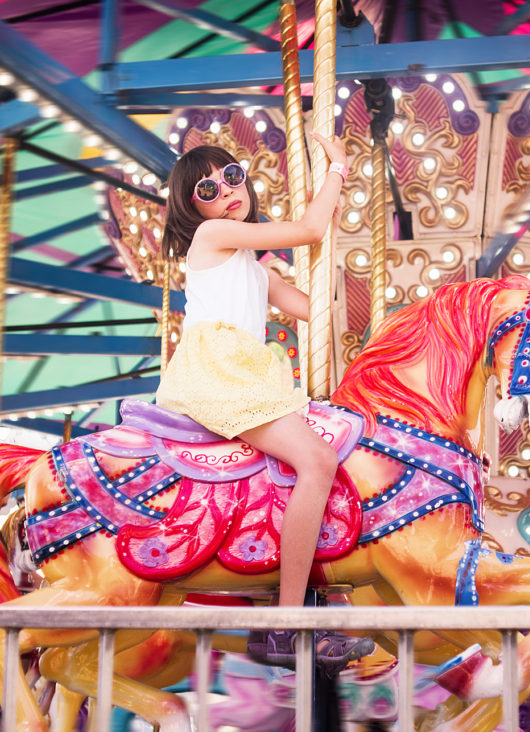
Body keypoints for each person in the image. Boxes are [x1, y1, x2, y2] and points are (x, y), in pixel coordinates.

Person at [156, 133, 373, 673]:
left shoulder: (257, 270)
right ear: (193, 207)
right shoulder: (212, 235)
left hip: (247, 371)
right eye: (209, 187)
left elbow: (316, 314)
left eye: (233, 176)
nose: (227, 190)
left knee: (325, 452)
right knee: (317, 460)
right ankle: (285, 621)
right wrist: (338, 171)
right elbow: (306, 230)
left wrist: (339, 284)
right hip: (220, 371)